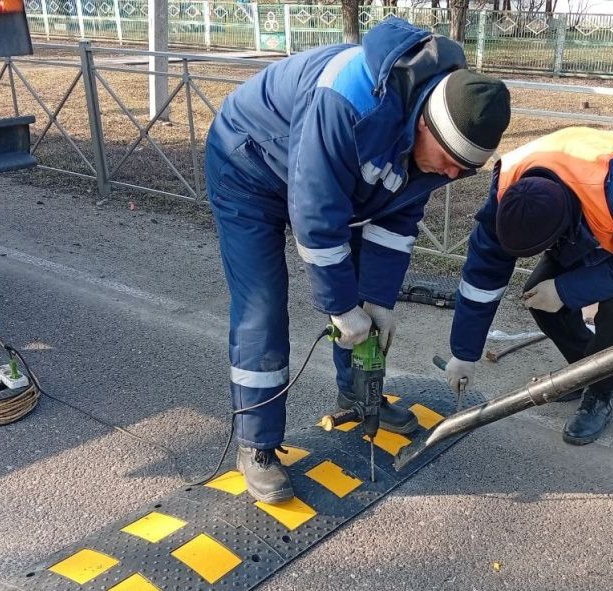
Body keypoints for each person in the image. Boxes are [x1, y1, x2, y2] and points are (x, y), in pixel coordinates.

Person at [204, 16, 511, 504]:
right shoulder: (347, 101)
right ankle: (256, 445)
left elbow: (397, 218)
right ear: (425, 123)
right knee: (263, 306)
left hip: (327, 180)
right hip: (248, 162)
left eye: (464, 170)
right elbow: (316, 216)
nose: (453, 176)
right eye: (451, 162)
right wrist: (340, 306)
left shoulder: (439, 135)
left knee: (367, 306)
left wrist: (377, 301)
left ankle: (358, 396)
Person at [443, 126, 613, 445]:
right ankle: (583, 373)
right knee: (540, 297)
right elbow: (483, 274)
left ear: (566, 229)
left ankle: (600, 391)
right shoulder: (508, 188)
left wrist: (565, 290)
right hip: (595, 208)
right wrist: (464, 352)